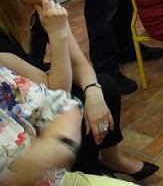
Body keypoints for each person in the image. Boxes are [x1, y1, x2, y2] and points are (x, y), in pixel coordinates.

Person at [0, 0, 159, 181]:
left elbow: (80, 62)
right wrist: (58, 34)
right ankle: (86, 171)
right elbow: (56, 95)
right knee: (77, 105)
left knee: (105, 86)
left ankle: (111, 157)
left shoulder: (42, 6)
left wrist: (94, 92)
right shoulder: (3, 43)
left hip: (42, 81)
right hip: (20, 100)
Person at [0, 63, 139, 186]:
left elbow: (59, 101)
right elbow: (57, 86)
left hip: (48, 179)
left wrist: (56, 146)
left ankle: (110, 161)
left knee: (106, 86)